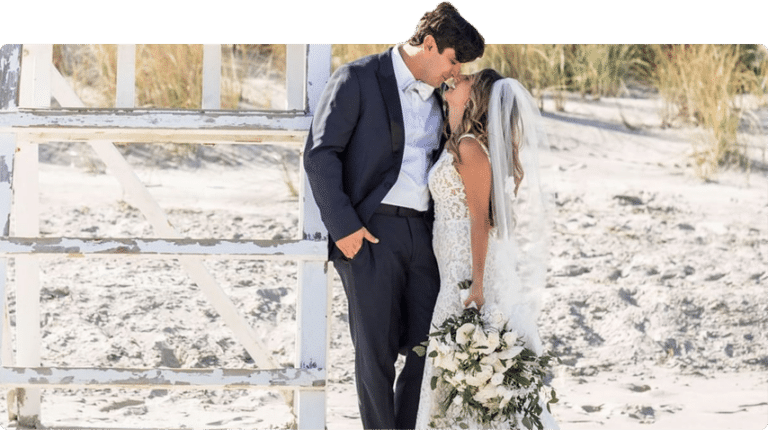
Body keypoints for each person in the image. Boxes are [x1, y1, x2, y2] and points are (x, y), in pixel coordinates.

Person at [302, 2, 485, 428]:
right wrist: (345, 229)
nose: (454, 73)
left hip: (424, 237)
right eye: (453, 60)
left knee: (428, 350)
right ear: (429, 43)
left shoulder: (443, 97)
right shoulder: (357, 78)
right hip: (369, 234)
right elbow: (321, 155)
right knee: (376, 358)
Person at [415, 69, 559, 429]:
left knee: (462, 365)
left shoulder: (469, 148)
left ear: (475, 96)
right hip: (453, 267)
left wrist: (477, 284)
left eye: (467, 78)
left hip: (467, 271)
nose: (458, 75)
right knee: (455, 366)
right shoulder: (457, 140)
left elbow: (481, 221)